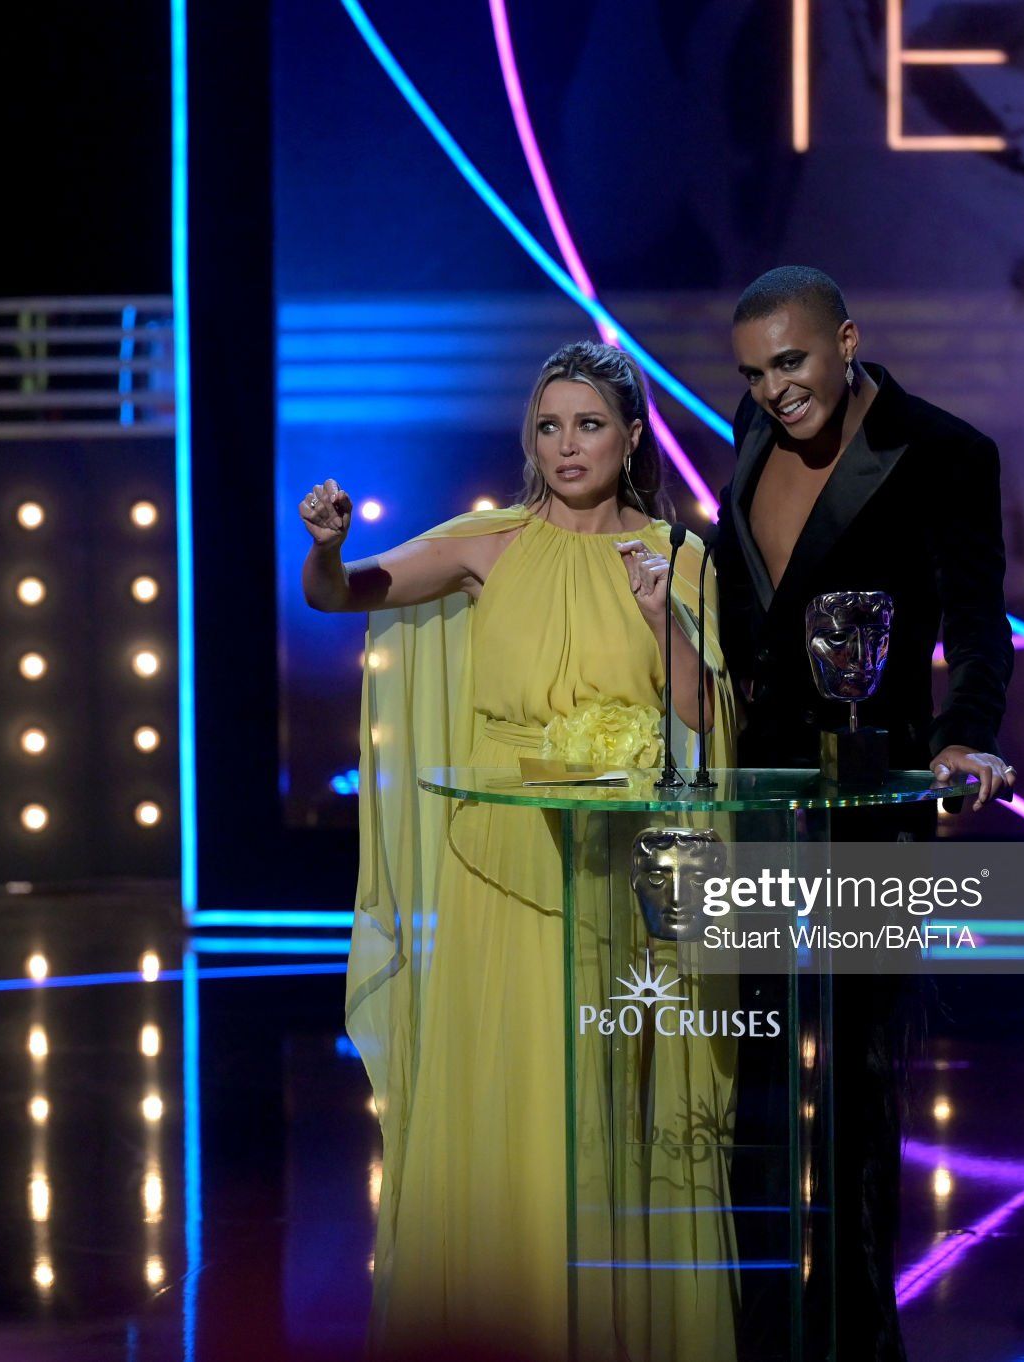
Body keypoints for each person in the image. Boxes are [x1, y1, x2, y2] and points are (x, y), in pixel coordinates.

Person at [304, 341, 740, 1360]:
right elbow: (340, 594)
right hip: (500, 861)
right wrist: (325, 547)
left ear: (631, 436)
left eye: (588, 424)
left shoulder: (679, 558)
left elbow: (704, 718)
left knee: (604, 1103)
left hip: (619, 866)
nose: (566, 445)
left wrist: (661, 619)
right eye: (548, 426)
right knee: (510, 1097)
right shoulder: (487, 544)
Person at [713, 266, 1016, 1361]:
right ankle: (752, 1329)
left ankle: (854, 1334)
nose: (773, 389)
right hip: (754, 799)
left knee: (852, 1083)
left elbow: (978, 625)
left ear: (845, 341)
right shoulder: (749, 432)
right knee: (748, 1075)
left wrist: (962, 736)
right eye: (755, 372)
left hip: (869, 797)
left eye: (790, 362)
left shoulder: (944, 452)